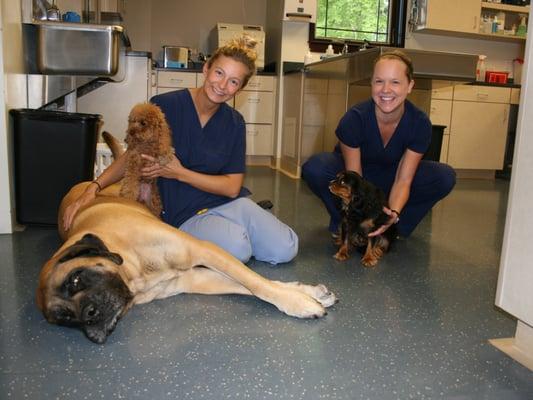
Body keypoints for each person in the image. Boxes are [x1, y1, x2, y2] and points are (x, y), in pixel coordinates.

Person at [63, 36, 298, 265]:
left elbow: (232, 186)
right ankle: (228, 237)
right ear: (206, 69)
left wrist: (179, 173)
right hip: (185, 213)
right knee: (238, 249)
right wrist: (94, 187)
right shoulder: (166, 105)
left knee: (287, 246)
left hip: (231, 203)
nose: (223, 85)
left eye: (234, 81)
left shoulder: (235, 122)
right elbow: (132, 156)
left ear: (240, 88)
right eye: (219, 73)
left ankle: (230, 235)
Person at [301, 50, 456, 238]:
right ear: (371, 84)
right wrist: (367, 209)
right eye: (379, 81)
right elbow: (355, 179)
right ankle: (345, 222)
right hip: (359, 176)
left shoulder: (420, 123)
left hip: (392, 177)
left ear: (410, 86)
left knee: (443, 176)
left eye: (395, 82)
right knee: (316, 167)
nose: (386, 89)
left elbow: (404, 180)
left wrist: (394, 211)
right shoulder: (354, 119)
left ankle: (395, 226)